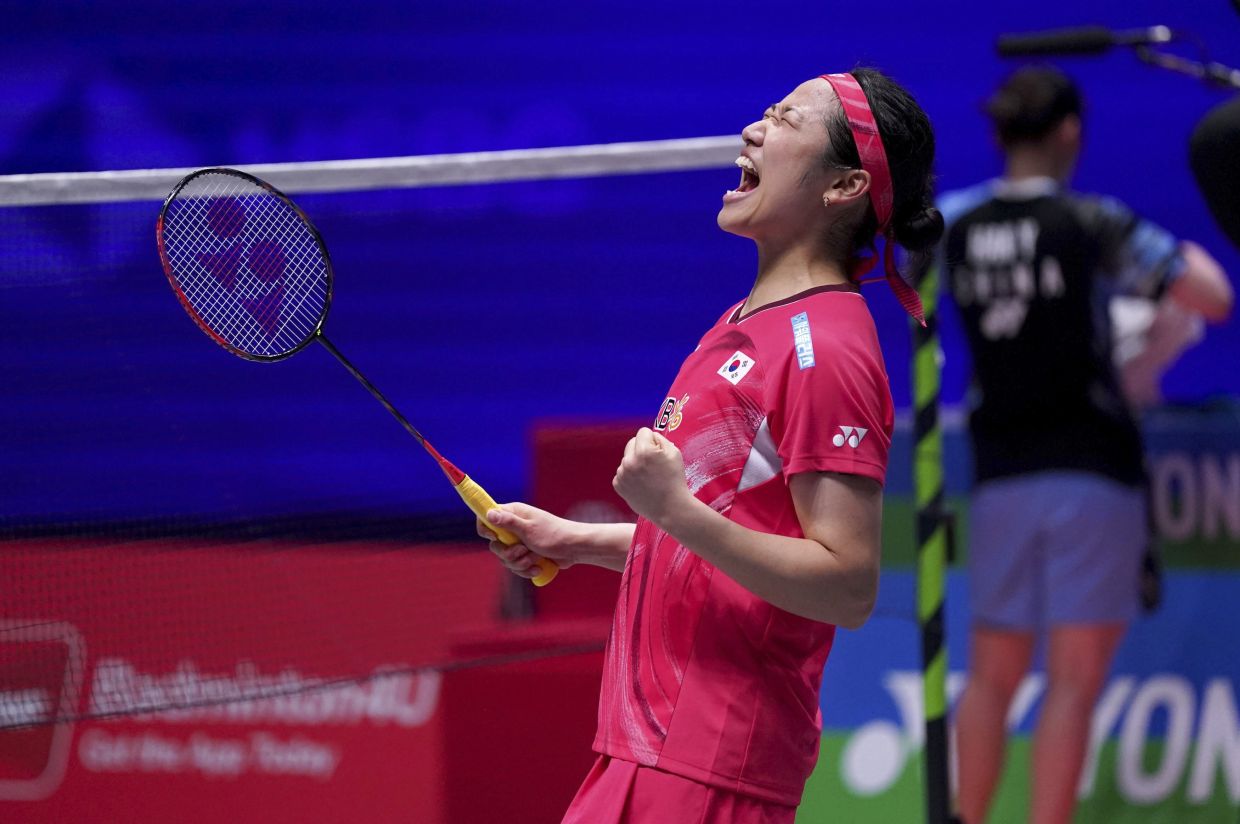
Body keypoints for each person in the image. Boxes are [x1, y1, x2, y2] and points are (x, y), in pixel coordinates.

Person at [476, 69, 943, 822]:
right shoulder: (740, 322)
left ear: (844, 186)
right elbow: (740, 540)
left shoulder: (827, 347)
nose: (754, 130)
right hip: (643, 745)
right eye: (763, 112)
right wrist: (578, 539)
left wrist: (676, 511)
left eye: (786, 119)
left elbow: (848, 583)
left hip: (716, 758)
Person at [938, 66, 1233, 824]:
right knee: (1072, 679)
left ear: (999, 133)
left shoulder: (953, 223)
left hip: (1000, 475)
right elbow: (1211, 297)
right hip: (1092, 472)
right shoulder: (1092, 220)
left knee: (992, 672)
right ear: (1071, 130)